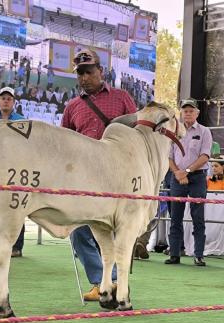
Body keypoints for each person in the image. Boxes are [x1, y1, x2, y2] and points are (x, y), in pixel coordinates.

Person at [61, 49, 137, 301]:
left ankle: (116, 281)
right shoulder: (72, 107)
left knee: (120, 231)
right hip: (84, 176)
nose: (84, 78)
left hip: (119, 175)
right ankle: (104, 281)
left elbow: (137, 134)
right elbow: (65, 143)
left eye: (89, 72)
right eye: (80, 74)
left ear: (101, 72)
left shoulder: (122, 97)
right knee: (80, 228)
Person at [165, 98, 212, 266]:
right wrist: (178, 173)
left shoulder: (205, 131)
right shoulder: (173, 132)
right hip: (177, 177)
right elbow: (169, 157)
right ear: (181, 113)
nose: (188, 113)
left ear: (197, 113)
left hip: (197, 177)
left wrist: (186, 171)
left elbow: (205, 156)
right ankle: (174, 254)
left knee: (198, 217)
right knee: (175, 217)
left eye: (191, 110)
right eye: (185, 110)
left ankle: (199, 255)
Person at [0, 86, 26, 257]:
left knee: (17, 206)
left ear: (13, 102)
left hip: (16, 167)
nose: (6, 101)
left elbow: (24, 144)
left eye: (9, 98)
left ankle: (17, 247)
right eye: (3, 98)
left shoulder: (21, 119)